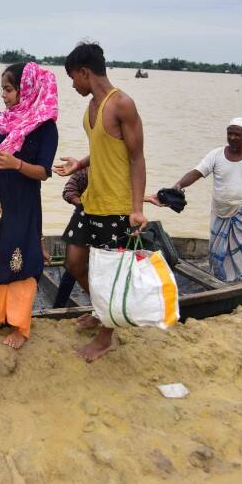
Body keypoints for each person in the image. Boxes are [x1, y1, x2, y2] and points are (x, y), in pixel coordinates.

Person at [53, 42, 150, 362]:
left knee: (111, 272)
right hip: (91, 201)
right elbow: (105, 148)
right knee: (76, 263)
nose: (72, 85)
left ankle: (106, 336)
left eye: (73, 78)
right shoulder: (91, 106)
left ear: (85, 72)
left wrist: (136, 209)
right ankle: (100, 309)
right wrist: (78, 165)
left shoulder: (122, 104)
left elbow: (136, 158)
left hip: (117, 204)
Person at [0, 62, 59, 350]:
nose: (3, 95)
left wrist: (16, 164)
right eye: (2, 89)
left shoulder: (45, 126)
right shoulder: (1, 119)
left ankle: (20, 326)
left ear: (26, 89)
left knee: (21, 262)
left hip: (23, 203)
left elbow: (43, 171)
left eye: (8, 89)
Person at [152, 118, 242, 291]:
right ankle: (221, 279)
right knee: (217, 254)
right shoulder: (216, 155)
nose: (232, 137)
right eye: (230, 133)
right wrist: (179, 185)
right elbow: (196, 173)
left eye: (237, 134)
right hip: (220, 212)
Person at [52, 167, 89, 307]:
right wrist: (82, 205)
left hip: (110, 225)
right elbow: (69, 191)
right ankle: (58, 306)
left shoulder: (120, 171)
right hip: (84, 222)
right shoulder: (86, 172)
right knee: (72, 267)